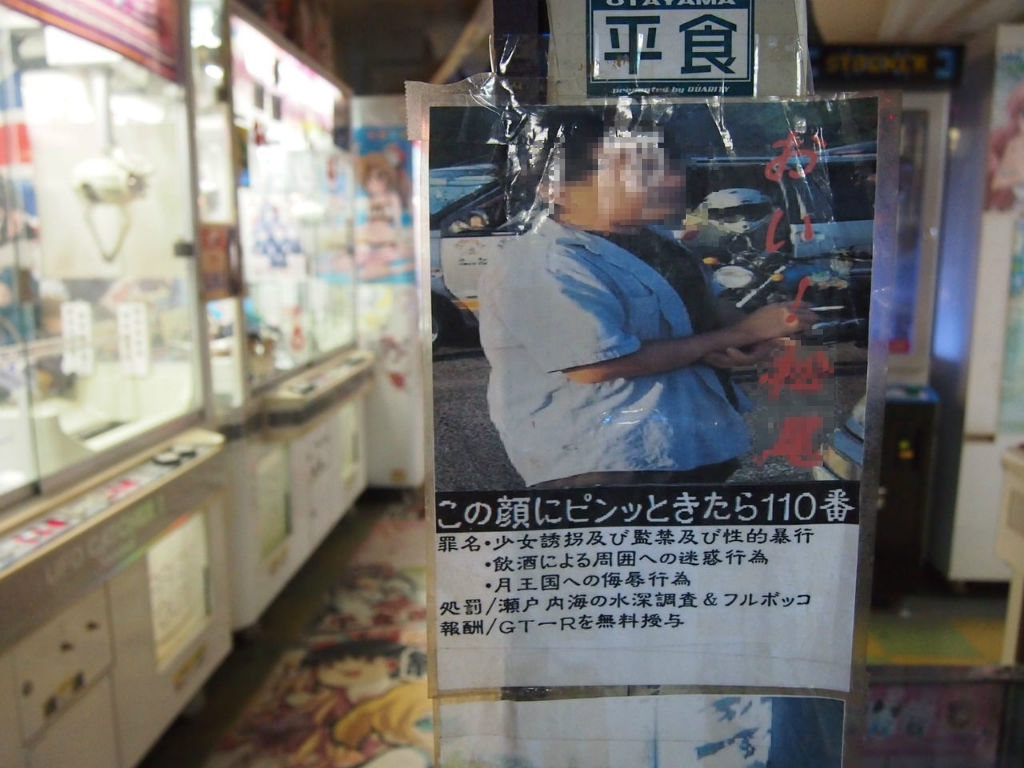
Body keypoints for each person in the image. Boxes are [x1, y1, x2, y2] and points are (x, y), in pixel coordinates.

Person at [478, 112, 817, 487]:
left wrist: (756, 334)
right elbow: (596, 365)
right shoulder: (542, 261)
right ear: (555, 188)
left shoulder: (658, 242)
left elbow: (703, 309)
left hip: (690, 445)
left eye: (669, 164)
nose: (672, 179)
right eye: (638, 169)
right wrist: (737, 335)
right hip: (605, 462)